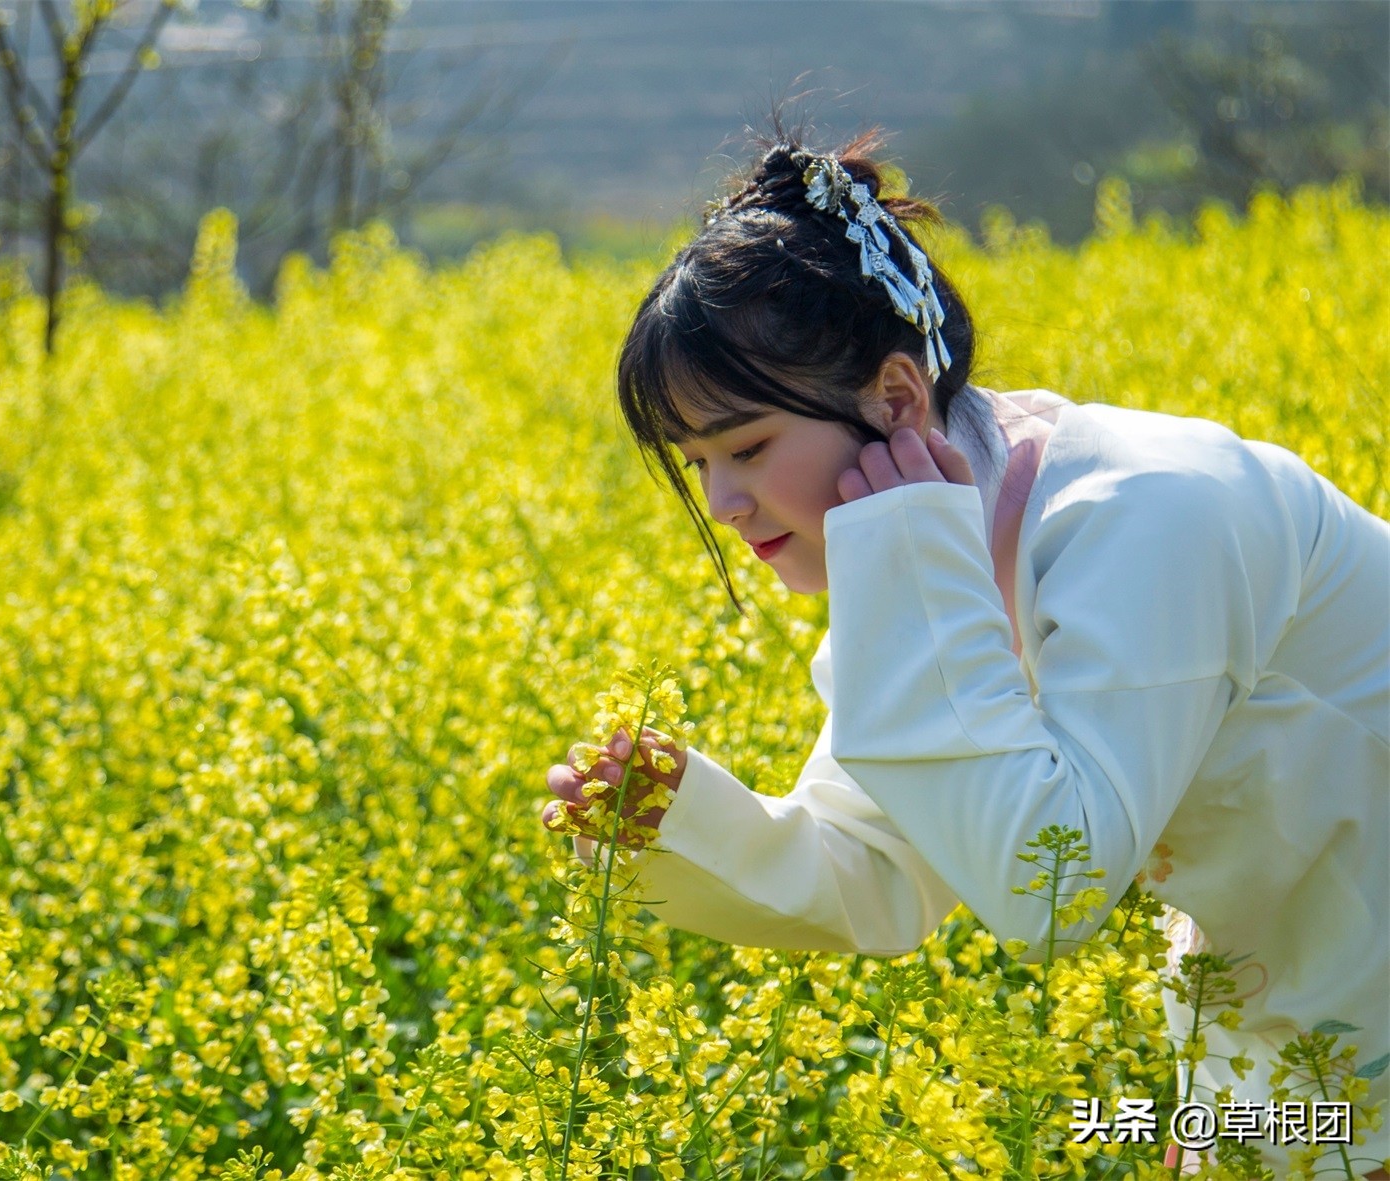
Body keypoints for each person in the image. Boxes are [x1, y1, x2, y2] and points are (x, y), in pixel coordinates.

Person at [539, 123, 1389, 1178]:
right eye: (697, 461)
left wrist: (902, 560)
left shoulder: (1147, 514)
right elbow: (876, 869)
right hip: (1284, 1044)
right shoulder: (936, 551)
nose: (723, 504)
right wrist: (674, 818)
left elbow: (1052, 884)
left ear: (895, 397)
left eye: (747, 445)